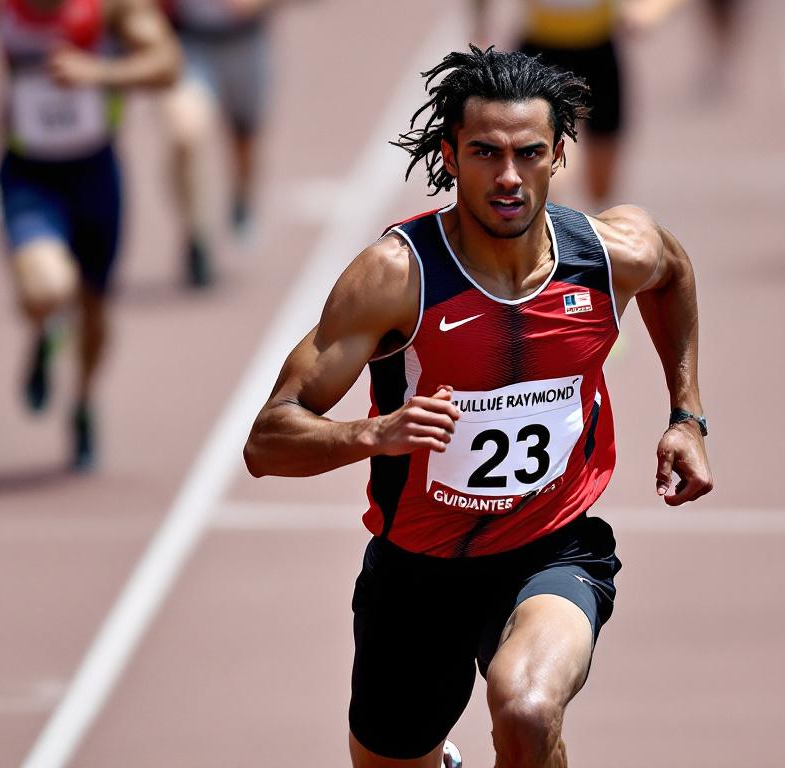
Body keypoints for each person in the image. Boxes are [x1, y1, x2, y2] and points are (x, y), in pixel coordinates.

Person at [244, 47, 713, 768]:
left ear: (559, 154)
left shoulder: (608, 252)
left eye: (529, 153)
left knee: (525, 708)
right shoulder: (397, 278)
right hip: (416, 574)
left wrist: (687, 417)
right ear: (450, 155)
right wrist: (373, 432)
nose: (507, 177)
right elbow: (267, 441)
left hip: (552, 548)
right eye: (485, 152)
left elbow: (673, 271)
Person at [0, 0, 181, 470]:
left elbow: (166, 64)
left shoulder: (109, 6)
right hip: (29, 174)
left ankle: (82, 402)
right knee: (46, 286)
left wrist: (99, 73)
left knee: (97, 310)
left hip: (95, 173)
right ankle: (46, 329)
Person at [160, 0, 286, 288]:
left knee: (244, 139)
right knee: (184, 134)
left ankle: (241, 197)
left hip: (246, 43)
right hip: (189, 44)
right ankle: (196, 238)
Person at [472, 0, 627, 209]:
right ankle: (553, 228)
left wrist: (648, 10)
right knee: (548, 162)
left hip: (598, 53)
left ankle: (588, 226)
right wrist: (480, 24)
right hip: (541, 52)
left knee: (600, 186)